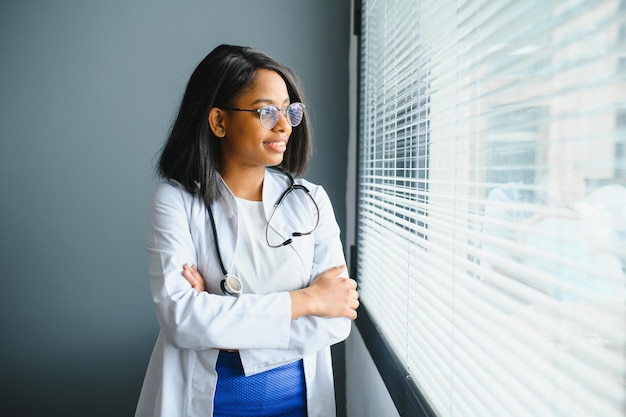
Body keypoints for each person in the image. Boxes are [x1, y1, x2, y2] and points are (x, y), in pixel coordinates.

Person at [134, 44, 359, 417]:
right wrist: (306, 301)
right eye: (266, 111)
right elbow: (182, 320)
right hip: (210, 402)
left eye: (289, 111)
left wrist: (225, 328)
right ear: (219, 121)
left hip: (299, 404)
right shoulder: (175, 202)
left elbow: (335, 321)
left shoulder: (311, 202)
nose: (284, 124)